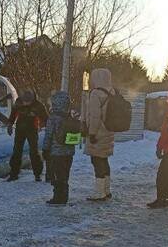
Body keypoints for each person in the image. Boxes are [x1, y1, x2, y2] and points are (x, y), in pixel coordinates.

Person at [84, 68, 115, 201]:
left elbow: (95, 116)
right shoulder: (112, 91)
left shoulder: (96, 94)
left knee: (97, 161)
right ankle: (106, 190)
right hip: (109, 130)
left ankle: (99, 192)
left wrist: (91, 133)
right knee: (104, 160)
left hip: (98, 132)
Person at [43, 91, 77, 205]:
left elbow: (48, 135)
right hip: (69, 153)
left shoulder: (53, 118)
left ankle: (58, 197)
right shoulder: (70, 117)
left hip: (56, 153)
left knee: (57, 175)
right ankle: (64, 196)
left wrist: (45, 149)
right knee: (65, 175)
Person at [6, 90, 47, 182]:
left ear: (32, 100)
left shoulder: (38, 105)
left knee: (34, 151)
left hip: (32, 129)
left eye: (28, 102)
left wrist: (43, 124)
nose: (26, 104)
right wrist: (10, 124)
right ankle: (14, 173)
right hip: (20, 128)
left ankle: (37, 174)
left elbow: (45, 118)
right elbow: (13, 114)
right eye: (24, 102)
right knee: (17, 151)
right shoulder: (18, 102)